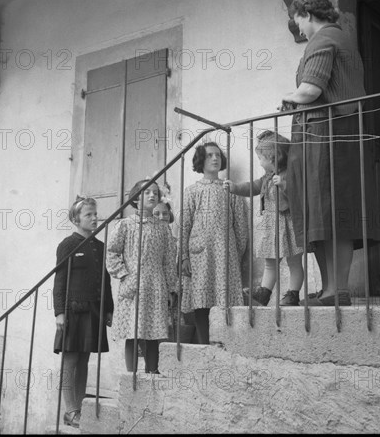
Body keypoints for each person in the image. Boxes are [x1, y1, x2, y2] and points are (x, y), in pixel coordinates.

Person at [280, 0, 372, 306]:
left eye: (298, 22)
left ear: (307, 13)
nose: (299, 29)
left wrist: (288, 100)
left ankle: (337, 290)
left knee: (325, 213)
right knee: (328, 214)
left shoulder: (322, 40)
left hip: (322, 133)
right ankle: (332, 289)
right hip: (334, 132)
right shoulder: (344, 40)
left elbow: (310, 90)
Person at [53, 196, 114, 428]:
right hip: (72, 311)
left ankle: (79, 409)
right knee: (70, 360)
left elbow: (105, 280)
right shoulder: (67, 245)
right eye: (88, 214)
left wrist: (108, 308)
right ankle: (70, 410)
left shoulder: (99, 246)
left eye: (94, 213)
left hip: (94, 310)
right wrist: (60, 312)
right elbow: (60, 281)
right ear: (76, 219)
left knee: (85, 360)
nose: (94, 217)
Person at [224, 130, 303, 306]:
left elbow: (298, 198)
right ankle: (264, 292)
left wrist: (284, 186)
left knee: (294, 262)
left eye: (261, 158)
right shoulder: (266, 178)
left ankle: (293, 294)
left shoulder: (289, 174)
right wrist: (236, 188)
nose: (259, 162)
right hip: (271, 226)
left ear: (273, 158)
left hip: (289, 224)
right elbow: (253, 187)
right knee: (270, 262)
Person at [106, 180, 178, 374]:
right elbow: (112, 252)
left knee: (154, 331)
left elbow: (169, 260)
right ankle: (132, 376)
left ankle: (152, 372)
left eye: (155, 193)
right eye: (148, 193)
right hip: (133, 283)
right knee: (133, 331)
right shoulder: (125, 226)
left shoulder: (163, 228)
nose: (153, 196)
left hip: (155, 284)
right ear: (137, 198)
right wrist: (123, 274)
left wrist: (171, 287)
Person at [180, 142, 248, 344]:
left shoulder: (230, 189)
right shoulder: (192, 191)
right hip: (200, 253)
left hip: (226, 252)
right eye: (210, 155)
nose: (215, 159)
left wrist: (236, 251)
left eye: (218, 155)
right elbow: (184, 224)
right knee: (202, 299)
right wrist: (184, 255)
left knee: (226, 296)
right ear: (201, 160)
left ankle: (227, 342)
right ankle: (204, 343)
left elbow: (241, 225)